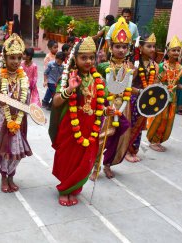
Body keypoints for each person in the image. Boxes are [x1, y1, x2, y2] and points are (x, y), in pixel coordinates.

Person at [49, 37, 115, 206]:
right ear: (75, 58)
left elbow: (102, 104)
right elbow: (56, 102)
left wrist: (108, 110)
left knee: (86, 160)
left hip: (91, 127)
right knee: (68, 159)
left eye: (91, 57)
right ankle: (65, 189)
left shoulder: (98, 80)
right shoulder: (68, 77)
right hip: (70, 126)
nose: (88, 61)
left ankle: (75, 189)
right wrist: (70, 89)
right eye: (83, 57)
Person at [91, 17, 133, 180]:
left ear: (128, 48)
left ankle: (108, 164)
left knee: (117, 137)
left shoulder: (129, 68)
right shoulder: (103, 66)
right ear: (111, 47)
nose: (121, 50)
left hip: (123, 107)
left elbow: (128, 88)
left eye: (124, 47)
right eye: (117, 46)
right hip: (106, 107)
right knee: (102, 138)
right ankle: (95, 167)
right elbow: (96, 84)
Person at [0, 33, 32, 193]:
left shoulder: (24, 77)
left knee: (16, 150)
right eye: (12, 58)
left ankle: (11, 176)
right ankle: (3, 176)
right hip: (4, 119)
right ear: (5, 58)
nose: (16, 62)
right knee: (3, 149)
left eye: (18, 58)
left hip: (20, 118)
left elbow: (27, 98)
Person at [147, 36, 182, 152]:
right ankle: (153, 140)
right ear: (167, 52)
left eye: (178, 50)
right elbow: (155, 82)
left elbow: (176, 84)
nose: (176, 52)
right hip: (161, 98)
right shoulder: (161, 66)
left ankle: (159, 141)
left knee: (168, 120)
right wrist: (161, 72)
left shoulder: (181, 68)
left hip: (172, 99)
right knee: (158, 119)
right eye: (173, 50)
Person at [125, 33, 158, 162]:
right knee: (131, 126)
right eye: (149, 46)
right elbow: (127, 83)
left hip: (146, 100)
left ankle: (134, 150)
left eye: (154, 46)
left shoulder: (153, 64)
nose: (153, 49)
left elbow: (153, 83)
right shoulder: (134, 63)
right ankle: (126, 150)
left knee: (139, 128)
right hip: (133, 99)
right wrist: (134, 71)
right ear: (140, 47)